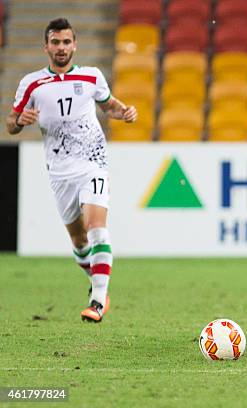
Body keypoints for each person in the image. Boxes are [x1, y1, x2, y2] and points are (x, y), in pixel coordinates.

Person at [5, 18, 137, 323]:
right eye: (55, 42)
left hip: (93, 161)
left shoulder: (92, 77)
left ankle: (98, 301)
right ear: (46, 46)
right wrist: (20, 120)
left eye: (66, 42)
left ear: (74, 45)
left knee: (96, 228)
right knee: (79, 243)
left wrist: (125, 112)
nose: (61, 48)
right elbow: (10, 123)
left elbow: (110, 106)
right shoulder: (32, 83)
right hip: (59, 171)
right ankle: (97, 278)